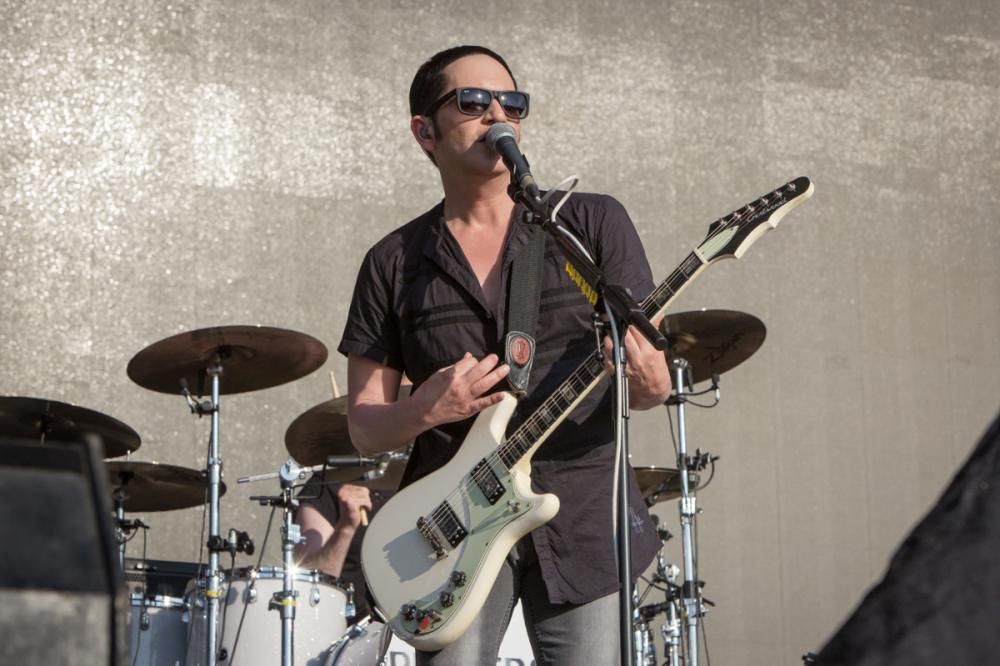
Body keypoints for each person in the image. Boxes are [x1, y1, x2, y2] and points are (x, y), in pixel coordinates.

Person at [338, 45, 672, 665]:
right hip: (452, 526)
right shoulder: (393, 262)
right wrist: (426, 408)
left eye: (512, 103)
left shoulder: (589, 226)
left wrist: (649, 379)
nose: (498, 114)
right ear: (425, 131)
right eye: (473, 101)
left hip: (583, 513)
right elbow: (364, 425)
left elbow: (651, 387)